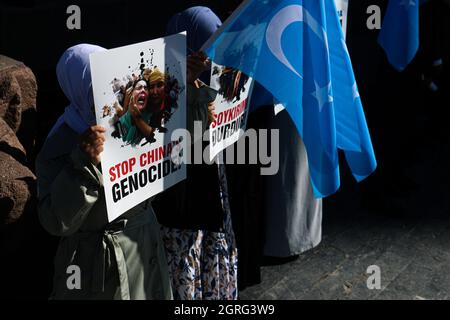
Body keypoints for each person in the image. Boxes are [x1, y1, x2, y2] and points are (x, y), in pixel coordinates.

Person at [35, 44, 173, 300]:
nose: (107, 98)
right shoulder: (60, 143)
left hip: (145, 249)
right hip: (100, 269)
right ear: (76, 89)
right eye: (95, 90)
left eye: (113, 87)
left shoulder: (133, 118)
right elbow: (56, 221)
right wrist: (83, 164)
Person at [152, 6, 238, 300]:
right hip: (182, 199)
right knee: (186, 261)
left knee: (208, 253)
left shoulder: (209, 78)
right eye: (205, 44)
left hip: (208, 191)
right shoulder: (158, 89)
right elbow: (183, 140)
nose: (211, 55)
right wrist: (192, 93)